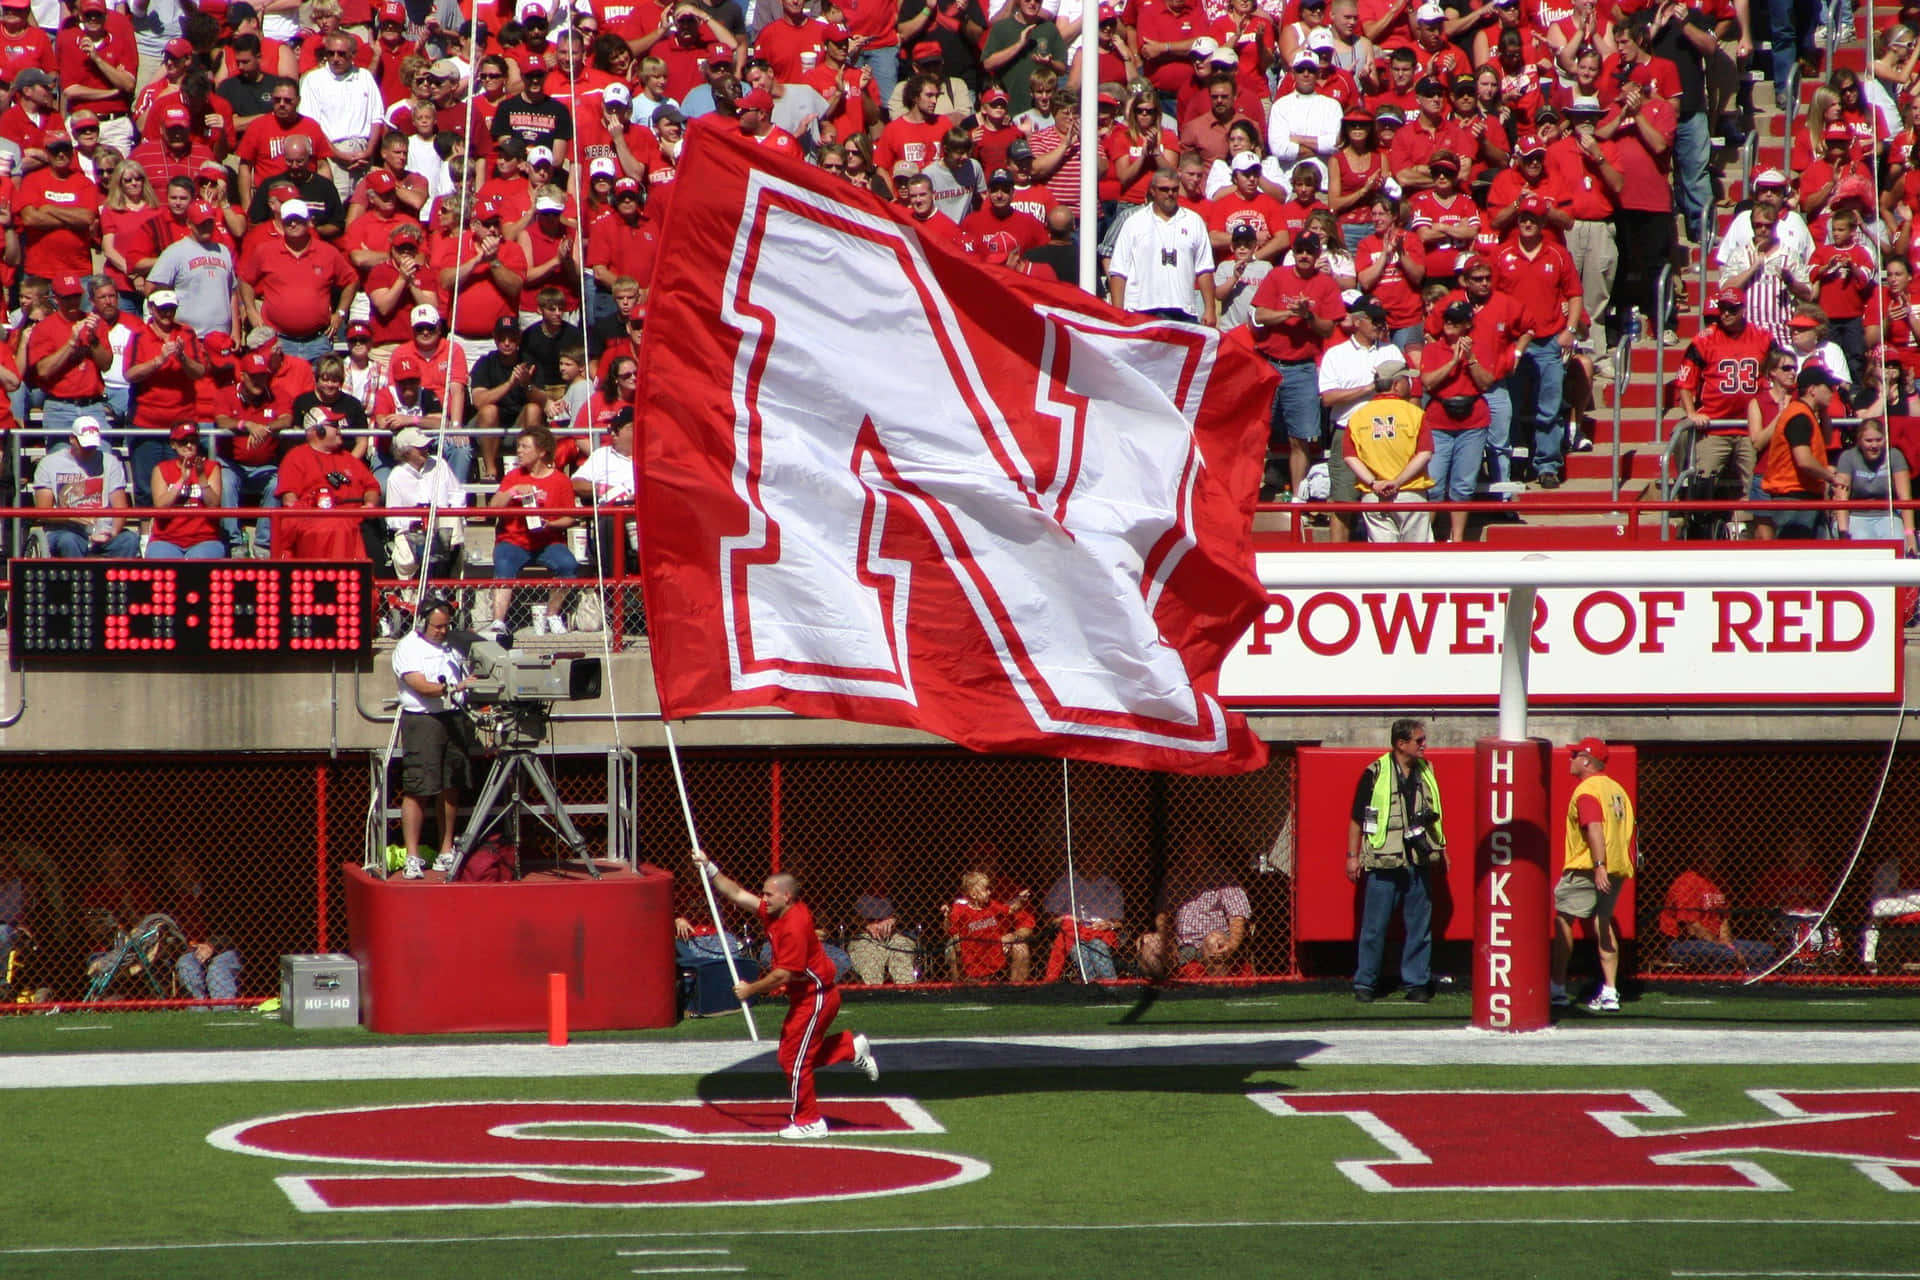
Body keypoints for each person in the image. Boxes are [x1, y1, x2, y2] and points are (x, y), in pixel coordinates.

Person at [688, 850, 880, 1139]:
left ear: (787, 896)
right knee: (790, 1057)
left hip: (817, 997)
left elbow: (784, 974)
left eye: (769, 895)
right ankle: (848, 1048)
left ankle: (809, 1120)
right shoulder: (777, 911)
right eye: (764, 894)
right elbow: (739, 894)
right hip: (806, 997)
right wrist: (711, 868)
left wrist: (750, 989)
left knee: (795, 1061)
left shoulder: (794, 926)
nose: (763, 899)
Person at [1346, 718, 1445, 1002]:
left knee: (1419, 926)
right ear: (1401, 744)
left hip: (1419, 858)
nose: (1424, 745)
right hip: (1383, 859)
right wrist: (1352, 857)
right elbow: (1357, 818)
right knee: (1374, 926)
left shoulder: (1427, 772)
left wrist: (1443, 850)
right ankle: (1365, 984)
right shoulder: (1375, 772)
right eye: (1419, 741)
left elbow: (1437, 814)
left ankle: (1416, 984)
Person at [391, 597, 479, 880]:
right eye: (437, 627)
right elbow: (420, 685)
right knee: (418, 787)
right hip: (423, 720)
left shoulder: (454, 644)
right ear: (422, 623)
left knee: (450, 785)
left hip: (454, 717)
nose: (442, 631)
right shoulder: (409, 647)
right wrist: (453, 687)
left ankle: (446, 849)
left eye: (446, 626)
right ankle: (413, 855)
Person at [1549, 736, 1636, 1012]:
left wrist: (1598, 864)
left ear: (1586, 761)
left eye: (1575, 755)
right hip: (1618, 866)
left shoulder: (1588, 790)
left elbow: (1594, 827)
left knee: (1564, 919)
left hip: (1588, 866)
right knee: (1604, 922)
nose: (1570, 759)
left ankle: (1557, 988)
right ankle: (1610, 991)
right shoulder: (1617, 789)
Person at [486, 423, 578, 638]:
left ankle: (552, 614)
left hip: (548, 541)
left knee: (568, 565)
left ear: (542, 451)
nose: (519, 451)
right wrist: (512, 491)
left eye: (525, 447)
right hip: (514, 540)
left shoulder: (560, 481)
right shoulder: (514, 476)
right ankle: (498, 620)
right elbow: (493, 508)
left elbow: (571, 517)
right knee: (504, 563)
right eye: (518, 446)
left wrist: (551, 524)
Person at [1105, 163, 1216, 325]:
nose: (1170, 194)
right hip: (1141, 309)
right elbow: (1118, 271)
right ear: (1153, 190)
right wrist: (1118, 313)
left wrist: (1210, 309)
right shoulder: (1134, 222)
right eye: (1164, 189)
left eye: (1174, 189)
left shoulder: (1194, 221)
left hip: (1183, 310)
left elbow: (1205, 268)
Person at [1342, 359, 1434, 543]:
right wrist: (1397, 482)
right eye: (1407, 380)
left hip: (1374, 495)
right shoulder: (1415, 414)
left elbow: (1350, 456)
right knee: (1417, 558)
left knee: (1383, 560)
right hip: (1410, 494)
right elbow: (1425, 453)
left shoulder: (1358, 416)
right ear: (1396, 385)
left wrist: (1374, 483)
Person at [272, 408, 380, 559]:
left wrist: (369, 504)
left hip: (357, 523)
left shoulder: (347, 458)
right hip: (318, 527)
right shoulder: (295, 458)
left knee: (377, 559)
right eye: (334, 425)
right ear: (319, 430)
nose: (339, 430)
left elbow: (371, 487)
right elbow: (290, 501)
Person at [1754, 364, 1844, 541]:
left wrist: (1824, 411)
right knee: (1795, 559)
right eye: (1828, 387)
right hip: (1793, 499)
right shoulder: (1799, 416)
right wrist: (1831, 477)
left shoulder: (1807, 413)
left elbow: (1827, 440)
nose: (1833, 393)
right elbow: (1803, 459)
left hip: (1804, 497)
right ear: (1812, 390)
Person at [1135, 845, 1252, 982]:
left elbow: (1237, 916)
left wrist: (1232, 945)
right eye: (1190, 845)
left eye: (1198, 845)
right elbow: (1163, 915)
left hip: (1210, 940)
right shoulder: (1174, 876)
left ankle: (1220, 994)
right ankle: (1159, 994)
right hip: (1181, 946)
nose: (1194, 850)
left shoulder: (1222, 876)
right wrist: (1165, 937)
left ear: (1208, 848)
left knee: (1214, 941)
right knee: (1150, 943)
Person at [33, 415, 140, 557]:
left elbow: (120, 508)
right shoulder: (49, 464)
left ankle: (115, 579)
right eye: (85, 445)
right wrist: (72, 517)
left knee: (129, 540)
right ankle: (78, 579)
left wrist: (112, 532)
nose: (89, 450)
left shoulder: (110, 462)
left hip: (102, 528)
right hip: (65, 530)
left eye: (92, 446)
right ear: (72, 439)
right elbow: (43, 511)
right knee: (68, 541)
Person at [1658, 857, 1774, 974]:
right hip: (1684, 943)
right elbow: (1692, 928)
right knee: (1728, 954)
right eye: (1707, 852)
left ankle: (1751, 985)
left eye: (1714, 851)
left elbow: (1724, 919)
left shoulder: (1718, 881)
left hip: (1717, 942)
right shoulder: (1686, 882)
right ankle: (1722, 988)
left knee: (1766, 951)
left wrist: (1727, 942)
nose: (1712, 856)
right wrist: (1726, 947)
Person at [383, 425, 466, 583]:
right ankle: (410, 598)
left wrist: (449, 510)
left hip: (442, 524)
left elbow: (457, 493)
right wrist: (415, 521)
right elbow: (392, 518)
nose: (426, 449)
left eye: (426, 446)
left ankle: (449, 584)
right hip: (413, 530)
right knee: (405, 558)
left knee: (453, 520)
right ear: (406, 452)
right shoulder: (395, 477)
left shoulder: (440, 464)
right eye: (420, 447)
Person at [1041, 852, 1125, 981]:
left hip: (1101, 932)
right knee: (1080, 950)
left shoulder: (1110, 885)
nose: (1092, 862)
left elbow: (1119, 922)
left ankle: (1110, 985)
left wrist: (1109, 924)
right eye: (1088, 857)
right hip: (1073, 933)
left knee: (1098, 946)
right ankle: (1092, 985)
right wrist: (1066, 919)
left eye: (1096, 858)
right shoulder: (1066, 882)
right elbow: (1049, 918)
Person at [1834, 420, 1916, 551]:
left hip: (1887, 515)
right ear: (1859, 441)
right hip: (1857, 516)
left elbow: (1904, 496)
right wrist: (1843, 534)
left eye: (1879, 440)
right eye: (1869, 440)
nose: (1874, 445)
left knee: (1898, 541)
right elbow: (1841, 499)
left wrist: (1909, 534)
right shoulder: (1848, 457)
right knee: (1862, 541)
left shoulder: (1894, 456)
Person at [146, 423, 224, 559]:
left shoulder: (211, 467)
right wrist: (182, 480)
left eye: (193, 441)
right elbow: (160, 507)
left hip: (204, 539)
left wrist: (201, 477)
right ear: (173, 444)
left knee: (198, 565)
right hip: (166, 540)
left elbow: (214, 505)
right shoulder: (162, 469)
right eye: (183, 441)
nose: (189, 445)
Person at [945, 869, 1034, 983]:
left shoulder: (991, 905)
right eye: (986, 890)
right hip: (972, 951)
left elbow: (1010, 910)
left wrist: (1021, 900)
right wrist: (947, 917)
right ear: (974, 894)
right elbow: (951, 929)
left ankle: (1015, 990)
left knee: (1021, 948)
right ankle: (961, 989)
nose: (989, 893)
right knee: (956, 948)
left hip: (992, 949)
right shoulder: (960, 909)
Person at [844, 891, 917, 986]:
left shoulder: (901, 893)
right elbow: (845, 916)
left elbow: (913, 914)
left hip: (896, 935)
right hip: (865, 937)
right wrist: (865, 924)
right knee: (870, 958)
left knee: (901, 954)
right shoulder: (852, 894)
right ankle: (874, 994)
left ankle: (907, 993)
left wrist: (894, 919)